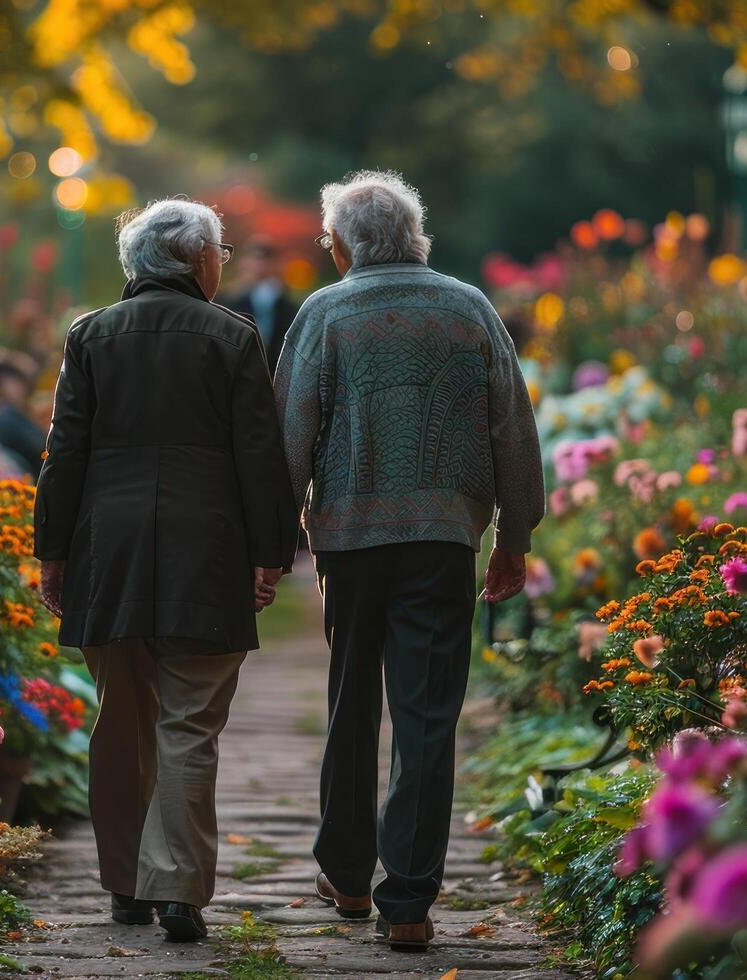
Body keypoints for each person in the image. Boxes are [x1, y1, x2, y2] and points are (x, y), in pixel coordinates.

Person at [273, 170, 545, 952]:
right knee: (427, 715)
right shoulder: (467, 308)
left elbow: (290, 430)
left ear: (342, 245)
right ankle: (410, 902)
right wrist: (514, 534)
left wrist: (270, 543)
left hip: (351, 542)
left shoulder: (324, 313)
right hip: (441, 539)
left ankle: (349, 876)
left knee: (351, 701)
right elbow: (510, 426)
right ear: (413, 236)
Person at [34, 198, 297, 943]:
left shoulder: (91, 334)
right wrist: (268, 553)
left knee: (120, 719)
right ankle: (177, 886)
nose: (222, 263)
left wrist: (51, 552)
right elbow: (258, 452)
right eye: (217, 252)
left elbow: (66, 454)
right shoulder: (231, 335)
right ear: (196, 261)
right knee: (189, 724)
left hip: (106, 549)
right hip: (204, 549)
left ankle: (124, 884)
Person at [222, 235, 298, 375]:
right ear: (244, 262)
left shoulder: (289, 306)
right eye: (255, 259)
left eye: (265, 260)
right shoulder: (227, 301)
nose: (259, 266)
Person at [0, 352, 47, 476]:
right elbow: (38, 447)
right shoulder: (3, 415)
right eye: (18, 383)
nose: (23, 390)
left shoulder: (10, 412)